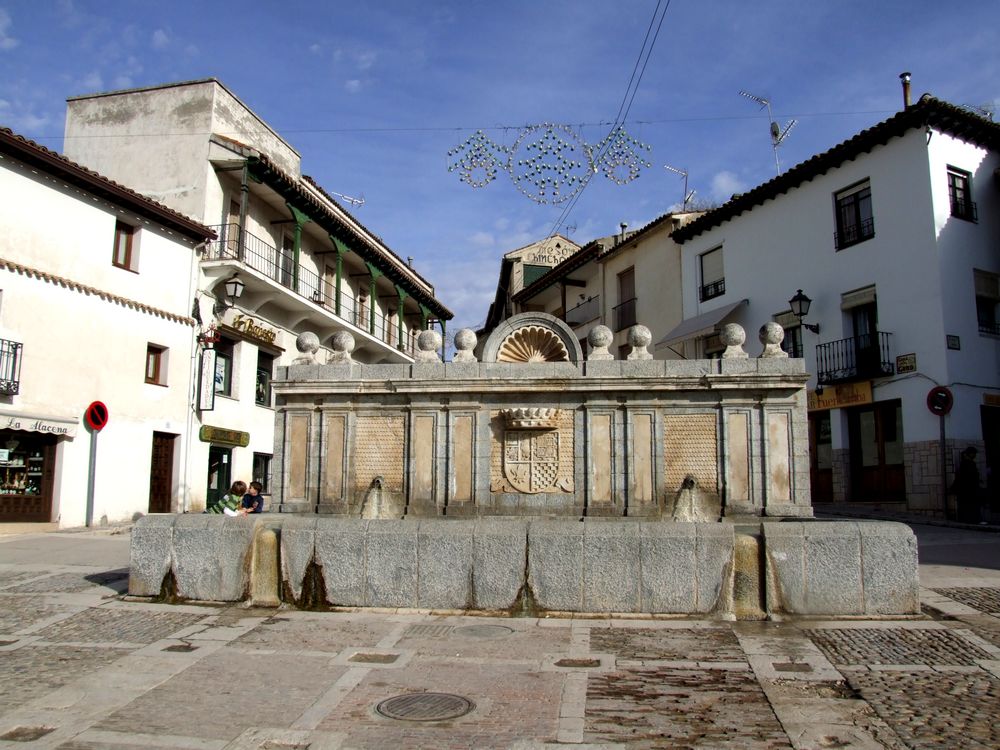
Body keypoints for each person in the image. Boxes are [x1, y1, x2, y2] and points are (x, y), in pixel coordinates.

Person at [953, 447, 981, 524]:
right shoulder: (967, 464)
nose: (974, 455)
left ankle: (969, 519)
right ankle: (970, 519)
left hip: (969, 489)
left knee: (969, 505)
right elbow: (966, 477)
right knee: (969, 505)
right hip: (968, 489)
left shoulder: (968, 463)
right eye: (973, 453)